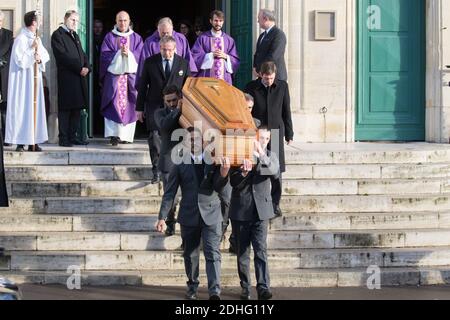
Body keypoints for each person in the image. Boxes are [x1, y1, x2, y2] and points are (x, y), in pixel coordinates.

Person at [156, 127, 231, 301]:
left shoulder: (213, 161)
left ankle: (214, 292)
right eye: (189, 140)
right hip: (189, 215)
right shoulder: (179, 164)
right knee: (190, 254)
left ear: (203, 141)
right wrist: (162, 217)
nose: (193, 143)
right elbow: (170, 192)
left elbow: (219, 187)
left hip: (211, 213)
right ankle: (192, 286)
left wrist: (224, 173)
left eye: (196, 139)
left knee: (213, 253)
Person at [230, 127, 280, 300]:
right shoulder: (240, 153)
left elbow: (273, 172)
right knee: (242, 252)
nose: (264, 141)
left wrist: (261, 155)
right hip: (241, 210)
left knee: (261, 250)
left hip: (261, 212)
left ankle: (263, 287)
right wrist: (243, 172)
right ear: (254, 138)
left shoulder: (271, 157)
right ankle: (245, 287)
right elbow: (232, 181)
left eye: (266, 138)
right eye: (261, 138)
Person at [136, 35, 190, 184]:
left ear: (175, 49)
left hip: (175, 107)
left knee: (174, 138)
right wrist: (139, 108)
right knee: (154, 138)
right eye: (164, 50)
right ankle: (156, 171)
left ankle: (174, 170)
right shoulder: (150, 62)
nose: (167, 53)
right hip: (154, 105)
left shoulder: (183, 63)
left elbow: (188, 87)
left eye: (170, 50)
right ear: (160, 48)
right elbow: (142, 86)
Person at [245, 61, 293, 218]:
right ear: (260, 74)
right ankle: (259, 201)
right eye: (266, 78)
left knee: (276, 169)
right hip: (258, 133)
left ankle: (275, 203)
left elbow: (286, 110)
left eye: (271, 78)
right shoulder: (251, 87)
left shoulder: (282, 86)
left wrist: (289, 133)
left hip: (276, 132)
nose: (269, 81)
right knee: (259, 166)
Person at [5, 11, 50, 152]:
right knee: (23, 109)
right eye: (39, 20)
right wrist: (32, 50)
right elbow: (20, 61)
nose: (41, 23)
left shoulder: (37, 38)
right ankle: (20, 141)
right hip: (23, 83)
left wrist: (39, 58)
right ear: (34, 22)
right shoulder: (21, 39)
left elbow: (45, 55)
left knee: (34, 109)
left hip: (34, 81)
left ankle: (33, 141)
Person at [100, 11, 143, 146]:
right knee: (113, 105)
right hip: (114, 78)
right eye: (120, 20)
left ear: (129, 21)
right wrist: (119, 53)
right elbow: (104, 56)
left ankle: (126, 136)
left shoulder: (136, 38)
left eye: (125, 20)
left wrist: (128, 54)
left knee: (130, 106)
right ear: (116, 21)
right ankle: (113, 135)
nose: (122, 23)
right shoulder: (109, 37)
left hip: (130, 78)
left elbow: (141, 56)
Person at [51, 10, 90, 147]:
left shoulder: (76, 35)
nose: (75, 23)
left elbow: (82, 54)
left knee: (76, 109)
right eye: (73, 20)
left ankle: (72, 136)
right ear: (65, 19)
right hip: (67, 78)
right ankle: (64, 138)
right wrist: (79, 68)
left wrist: (87, 66)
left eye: (77, 21)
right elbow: (62, 56)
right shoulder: (58, 35)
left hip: (79, 78)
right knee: (66, 109)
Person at [154, 85, 183, 236]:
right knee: (171, 195)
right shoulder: (159, 113)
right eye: (168, 101)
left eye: (174, 100)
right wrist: (177, 110)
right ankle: (170, 223)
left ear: (179, 97)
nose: (171, 103)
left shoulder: (188, 112)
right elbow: (164, 126)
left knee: (183, 197)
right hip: (168, 162)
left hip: (185, 159)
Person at [191, 10, 240, 85]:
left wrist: (226, 56)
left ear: (223, 22)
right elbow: (195, 57)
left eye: (220, 21)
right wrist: (210, 55)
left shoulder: (229, 40)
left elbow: (235, 60)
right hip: (207, 79)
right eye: (216, 21)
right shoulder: (203, 38)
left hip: (224, 79)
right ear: (211, 21)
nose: (218, 23)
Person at [253, 9, 287, 81]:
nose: (258, 21)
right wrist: (255, 67)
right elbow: (257, 53)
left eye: (259, 19)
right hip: (262, 76)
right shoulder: (262, 36)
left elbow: (273, 56)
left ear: (266, 19)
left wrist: (261, 69)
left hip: (275, 77)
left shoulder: (278, 34)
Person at [0, 11, 13, 146]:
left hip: (3, 75)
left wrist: (1, 61)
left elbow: (10, 52)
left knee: (4, 108)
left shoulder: (8, 35)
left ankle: (5, 137)